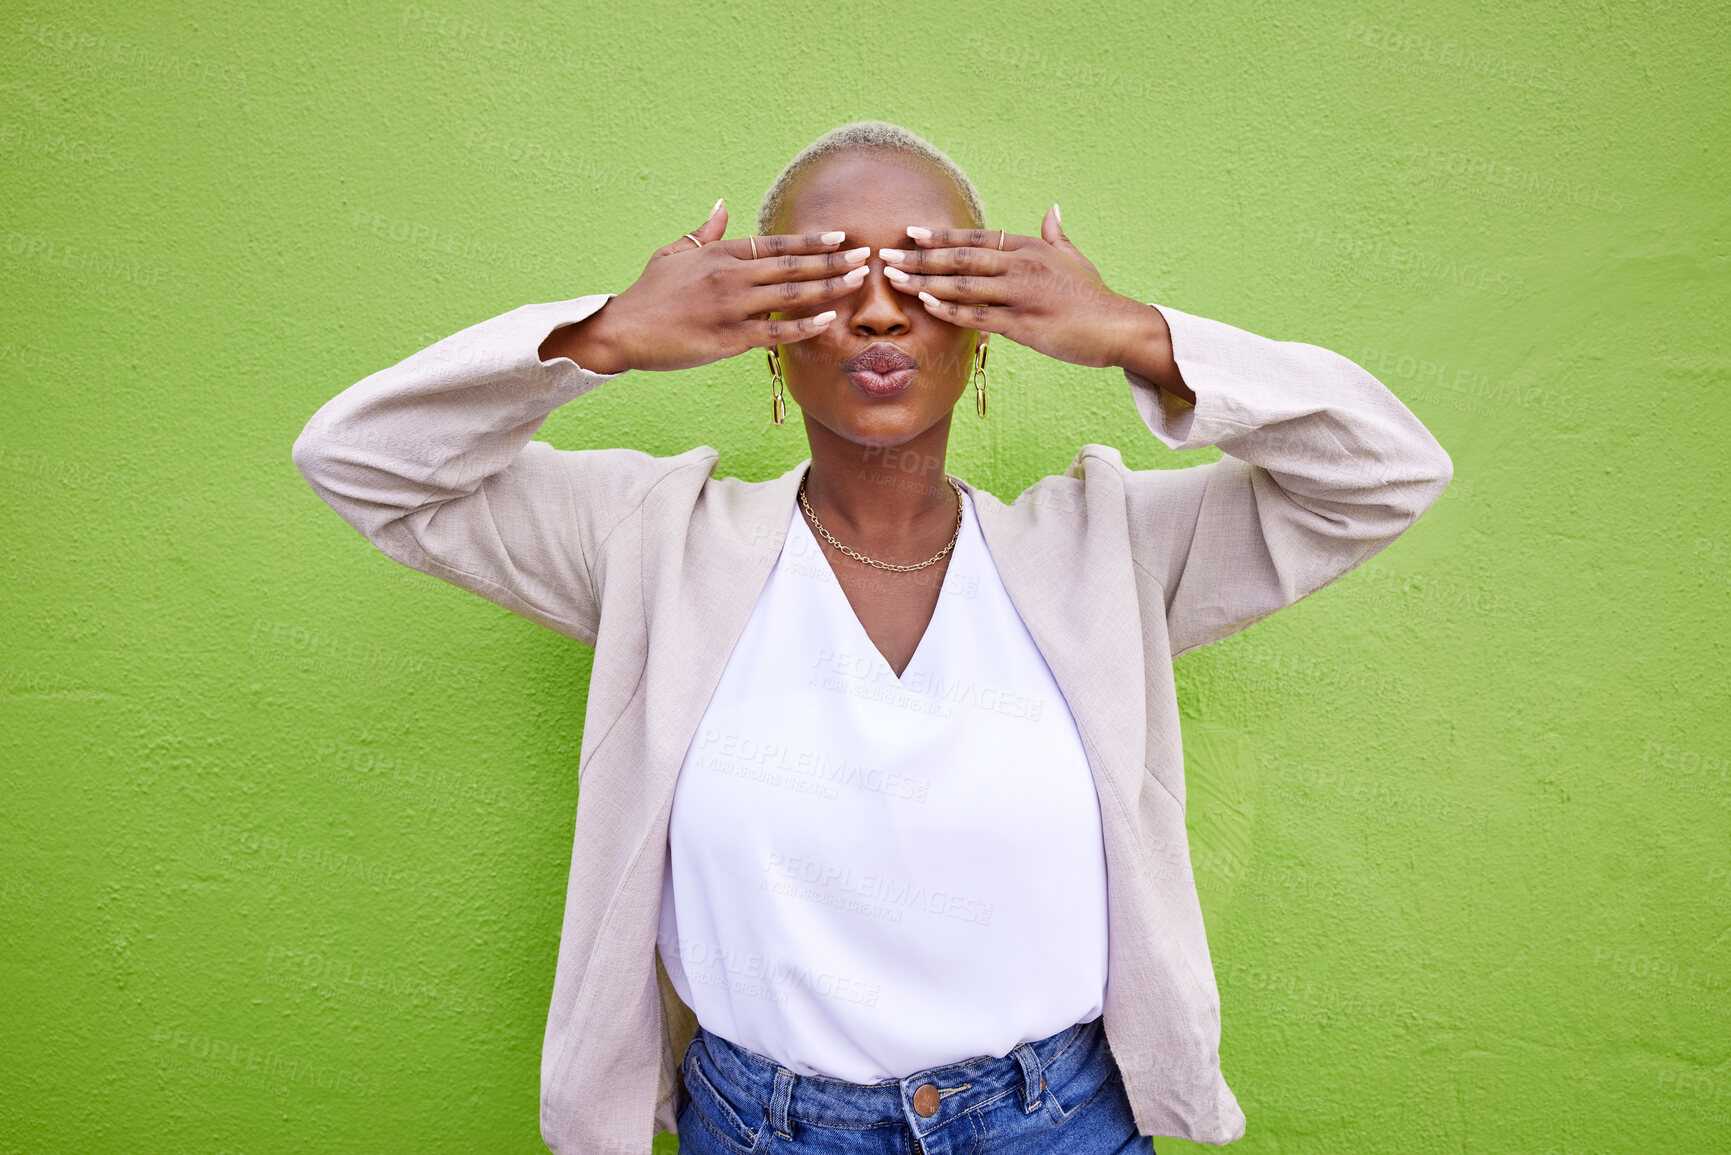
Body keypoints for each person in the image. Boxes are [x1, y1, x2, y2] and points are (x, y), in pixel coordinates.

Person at [292, 120, 1453, 1154]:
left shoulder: (1110, 553)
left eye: (926, 275)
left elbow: (1385, 475)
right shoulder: (650, 543)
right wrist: (602, 336)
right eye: (827, 275)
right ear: (762, 331)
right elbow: (359, 463)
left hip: (1059, 1123)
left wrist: (1135, 333)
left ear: (990, 327)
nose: (881, 309)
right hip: (762, 1128)